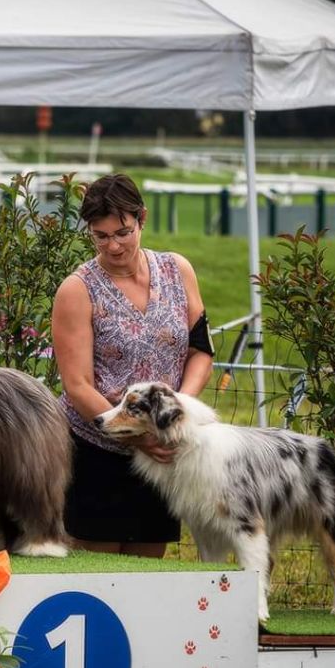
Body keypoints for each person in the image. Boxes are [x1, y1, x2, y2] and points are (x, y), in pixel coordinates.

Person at [52, 173, 213, 558]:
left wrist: (175, 413)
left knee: (149, 570)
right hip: (96, 452)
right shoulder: (77, 289)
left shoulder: (178, 270)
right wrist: (137, 437)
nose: (113, 245)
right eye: (100, 236)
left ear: (142, 217)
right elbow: (77, 386)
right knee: (98, 573)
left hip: (163, 451)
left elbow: (201, 350)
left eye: (122, 232)